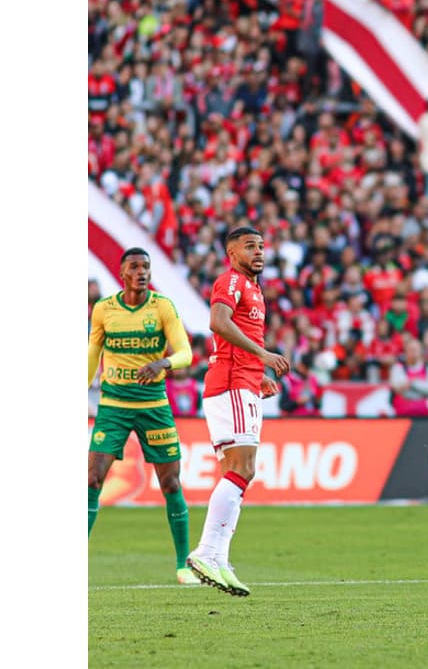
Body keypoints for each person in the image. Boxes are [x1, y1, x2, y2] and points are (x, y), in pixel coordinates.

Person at [186, 227, 290, 597]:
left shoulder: (255, 289)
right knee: (243, 468)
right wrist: (262, 356)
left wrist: (257, 372)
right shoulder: (231, 281)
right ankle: (206, 552)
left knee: (238, 470)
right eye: (250, 247)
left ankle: (219, 557)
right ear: (232, 253)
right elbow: (217, 321)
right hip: (230, 384)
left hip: (242, 382)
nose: (259, 252)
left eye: (262, 246)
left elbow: (234, 334)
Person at [88, 248, 200, 585]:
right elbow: (93, 353)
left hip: (154, 406)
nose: (142, 272)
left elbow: (185, 352)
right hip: (114, 406)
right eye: (135, 267)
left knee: (170, 483)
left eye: (146, 266)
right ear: (122, 272)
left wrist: (163, 363)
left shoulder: (162, 306)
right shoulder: (104, 309)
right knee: (92, 479)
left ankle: (183, 565)